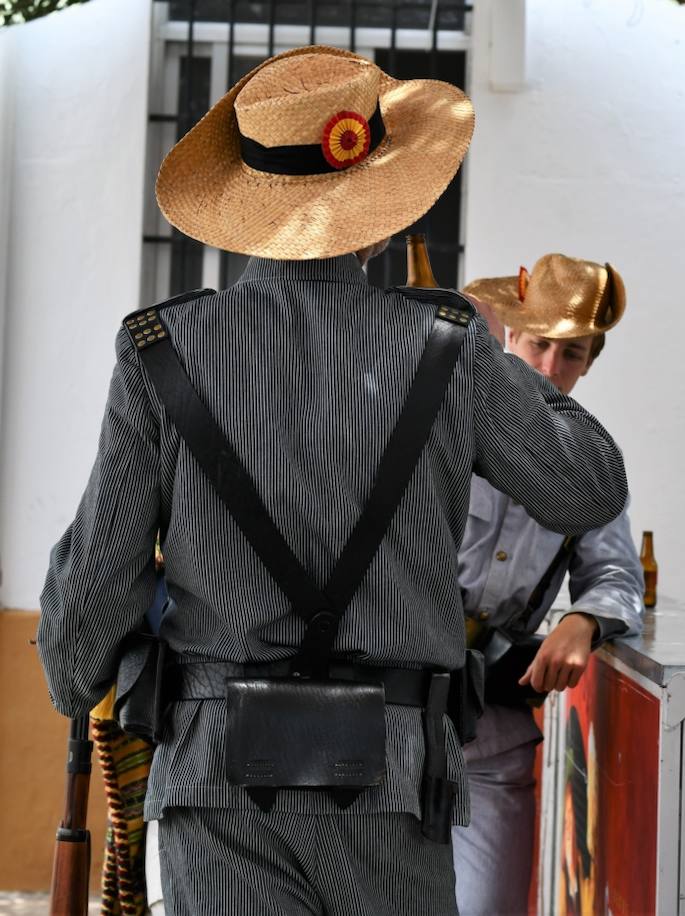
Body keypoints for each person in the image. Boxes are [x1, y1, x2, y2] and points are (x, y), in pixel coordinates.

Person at [37, 46, 628, 916]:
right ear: (381, 214)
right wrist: (509, 357)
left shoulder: (161, 349)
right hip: (393, 773)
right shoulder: (448, 346)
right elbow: (589, 488)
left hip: (216, 779)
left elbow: (90, 605)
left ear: (244, 205)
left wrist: (76, 673)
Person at [455, 253, 644, 915]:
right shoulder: (446, 432)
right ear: (509, 335)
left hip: (492, 727)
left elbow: (618, 573)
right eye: (539, 345)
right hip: (393, 720)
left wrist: (583, 619)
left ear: (591, 362)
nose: (549, 370)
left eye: (573, 354)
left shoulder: (589, 470)